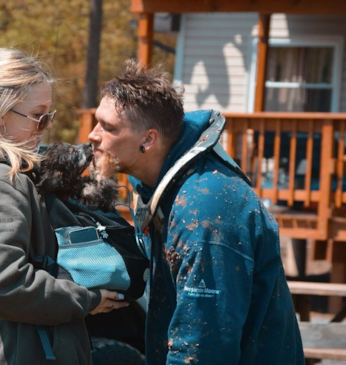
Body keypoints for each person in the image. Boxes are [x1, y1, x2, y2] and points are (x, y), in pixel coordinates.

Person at [88, 60, 304, 365]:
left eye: (108, 128)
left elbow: (203, 345)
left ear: (148, 139)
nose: (93, 136)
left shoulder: (206, 212)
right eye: (97, 122)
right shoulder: (158, 188)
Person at [0, 48, 127, 365]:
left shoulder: (8, 176)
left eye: (50, 116)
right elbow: (2, 285)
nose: (45, 126)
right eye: (38, 115)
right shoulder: (0, 183)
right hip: (25, 351)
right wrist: (86, 299)